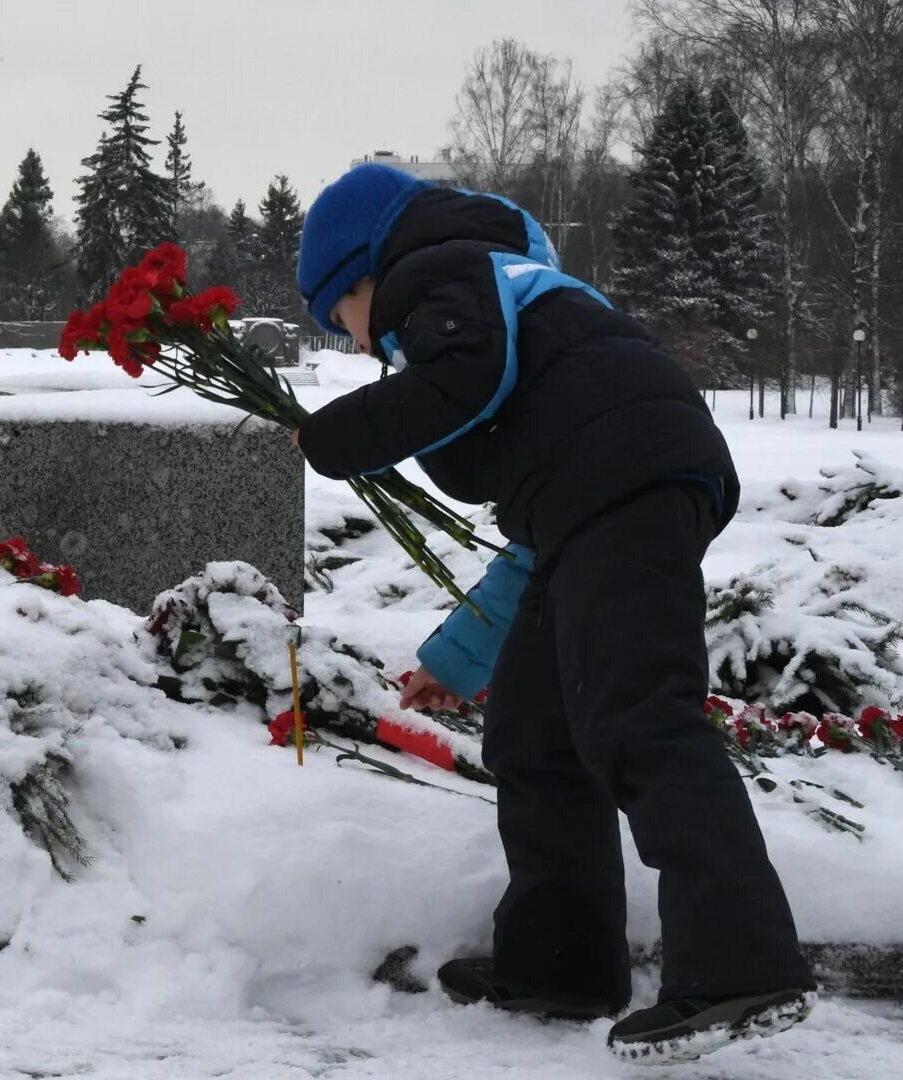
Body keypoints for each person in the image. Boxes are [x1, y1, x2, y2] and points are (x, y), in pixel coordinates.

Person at [291, 163, 815, 1063]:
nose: (353, 341)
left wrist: (337, 437)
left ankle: (740, 964)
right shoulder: (505, 296)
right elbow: (537, 552)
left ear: (359, 276)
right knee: (537, 730)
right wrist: (456, 662)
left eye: (336, 316)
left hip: (628, 480)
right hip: (605, 491)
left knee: (638, 717)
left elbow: (461, 381)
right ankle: (561, 964)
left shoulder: (440, 273)